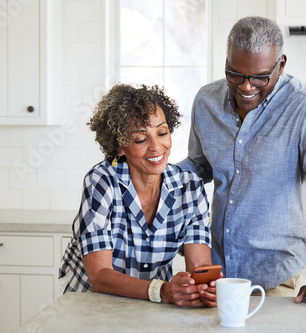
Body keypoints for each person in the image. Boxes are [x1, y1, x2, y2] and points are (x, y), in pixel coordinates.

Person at [177, 16, 306, 306]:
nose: (246, 87)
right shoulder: (206, 102)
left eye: (260, 77)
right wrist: (149, 172)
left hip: (281, 279)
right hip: (219, 275)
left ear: (281, 65)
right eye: (235, 74)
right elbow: (199, 167)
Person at [59, 83, 219, 307]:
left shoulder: (190, 187)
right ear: (119, 147)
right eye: (140, 139)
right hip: (91, 306)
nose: (156, 147)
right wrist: (161, 291)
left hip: (152, 308)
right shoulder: (102, 181)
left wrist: (204, 288)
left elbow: (200, 266)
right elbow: (99, 275)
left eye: (162, 133)